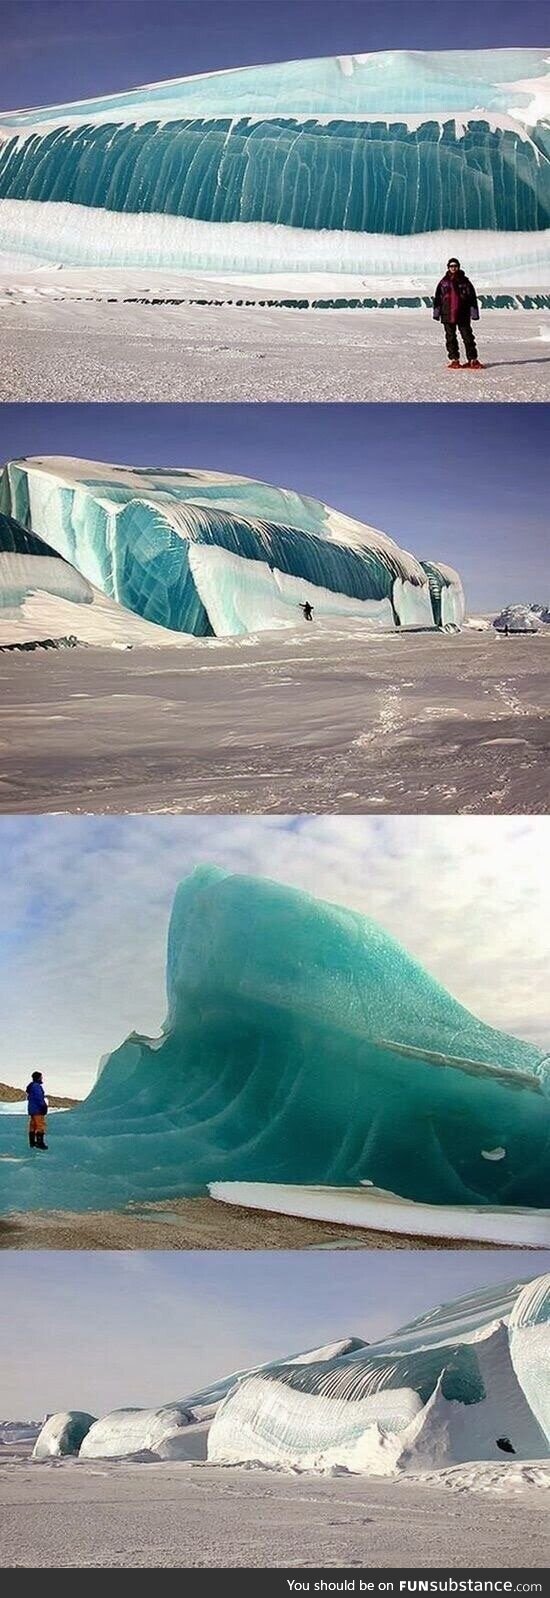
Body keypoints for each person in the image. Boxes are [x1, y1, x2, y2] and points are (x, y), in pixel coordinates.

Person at [433, 258, 482, 369]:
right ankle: (454, 360)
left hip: (463, 314)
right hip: (447, 314)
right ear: (448, 267)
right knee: (450, 338)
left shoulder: (465, 282)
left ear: (458, 267)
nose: (453, 268)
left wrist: (474, 313)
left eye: (455, 266)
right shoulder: (443, 282)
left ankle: (472, 360)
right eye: (451, 266)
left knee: (468, 337)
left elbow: (472, 298)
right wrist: (436, 313)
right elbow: (438, 298)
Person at [26, 1070, 48, 1151]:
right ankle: (40, 1143)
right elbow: (39, 1098)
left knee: (33, 1125)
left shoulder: (32, 1086)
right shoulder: (36, 1086)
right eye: (41, 1077)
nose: (42, 1078)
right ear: (38, 1078)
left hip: (32, 1109)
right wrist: (43, 1106)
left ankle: (32, 1142)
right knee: (40, 1125)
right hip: (38, 1109)